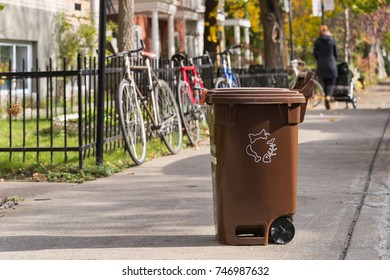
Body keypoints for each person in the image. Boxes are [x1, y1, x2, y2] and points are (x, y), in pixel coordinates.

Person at [313, 25, 338, 110]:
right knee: (331, 81)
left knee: (324, 83)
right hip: (331, 63)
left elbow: (315, 53)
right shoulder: (332, 40)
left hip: (321, 63)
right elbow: (336, 54)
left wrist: (319, 58)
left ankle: (327, 99)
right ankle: (329, 96)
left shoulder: (318, 41)